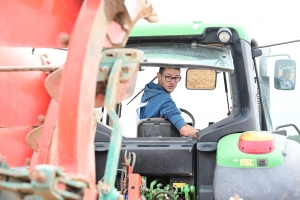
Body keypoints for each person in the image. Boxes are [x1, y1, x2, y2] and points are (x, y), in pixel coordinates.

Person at [138, 67, 198, 138]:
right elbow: (185, 131)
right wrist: (203, 134)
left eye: (176, 78)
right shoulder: (165, 101)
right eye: (168, 77)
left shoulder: (149, 93)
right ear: (159, 76)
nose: (172, 82)